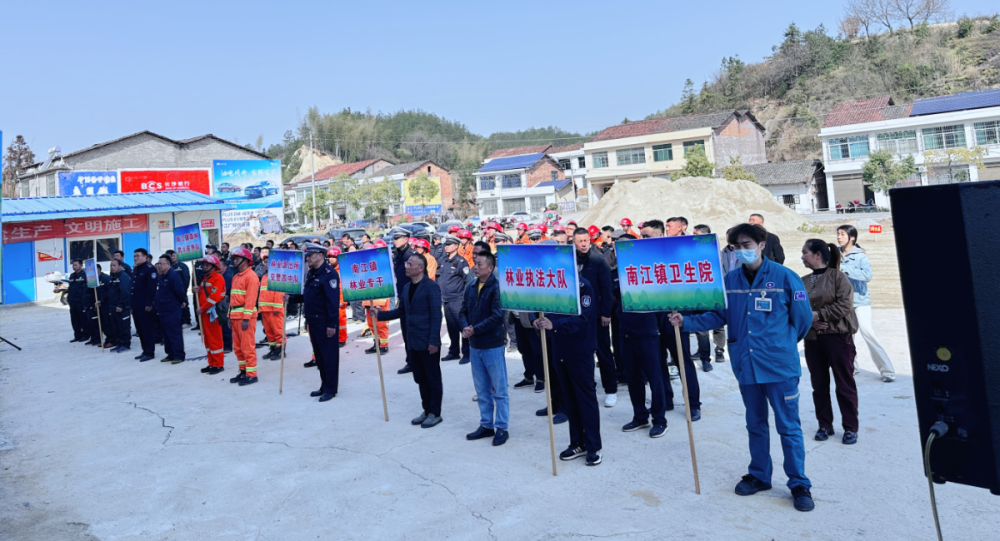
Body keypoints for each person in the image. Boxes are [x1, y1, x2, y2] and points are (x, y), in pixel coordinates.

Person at [669, 223, 815, 512]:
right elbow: (718, 316)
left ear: (761, 245)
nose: (741, 251)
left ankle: (799, 483)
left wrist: (781, 344)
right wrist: (686, 322)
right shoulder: (730, 280)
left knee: (788, 427)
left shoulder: (785, 277)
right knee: (755, 424)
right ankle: (760, 475)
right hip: (747, 366)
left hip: (779, 367)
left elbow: (803, 320)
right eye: (736, 247)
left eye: (747, 245)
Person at [533, 276, 603, 466]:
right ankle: (577, 443)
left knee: (585, 399)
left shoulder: (583, 285)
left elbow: (583, 318)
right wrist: (538, 321)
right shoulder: (550, 284)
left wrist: (555, 324)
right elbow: (544, 311)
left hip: (580, 350)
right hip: (560, 350)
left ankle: (593, 446)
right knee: (569, 400)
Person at [375, 253, 444, 428]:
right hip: (413, 341)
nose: (406, 266)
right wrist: (380, 315)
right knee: (420, 378)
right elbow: (402, 311)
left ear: (420, 268)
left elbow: (436, 316)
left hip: (427, 341)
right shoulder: (406, 288)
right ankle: (426, 410)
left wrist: (434, 341)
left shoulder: (431, 287)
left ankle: (435, 413)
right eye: (407, 263)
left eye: (410, 264)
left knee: (432, 378)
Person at [801, 239, 860, 445]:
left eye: (805, 252)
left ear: (818, 255)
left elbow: (844, 304)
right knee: (819, 384)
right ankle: (824, 425)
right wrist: (809, 320)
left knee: (844, 384)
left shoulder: (838, 277)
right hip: (813, 339)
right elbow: (795, 306)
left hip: (838, 338)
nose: (802, 256)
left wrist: (818, 315)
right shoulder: (802, 280)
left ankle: (850, 427)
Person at [642, 219, 703, 414]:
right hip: (652, 320)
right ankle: (665, 400)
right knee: (657, 363)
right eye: (642, 236)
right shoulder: (642, 259)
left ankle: (693, 404)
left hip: (674, 317)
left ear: (660, 236)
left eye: (646, 236)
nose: (642, 240)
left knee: (683, 362)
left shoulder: (676, 256)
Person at [460, 251, 509, 446]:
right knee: (482, 389)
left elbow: (497, 316)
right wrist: (465, 327)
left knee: (500, 389)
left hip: (492, 345)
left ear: (490, 268)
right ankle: (486, 424)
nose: (475, 267)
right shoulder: (471, 286)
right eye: (475, 263)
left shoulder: (497, 288)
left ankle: (502, 427)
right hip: (475, 345)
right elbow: (463, 310)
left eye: (480, 264)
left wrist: (474, 329)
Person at [837, 225, 895, 382]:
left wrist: (846, 271)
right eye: (838, 234)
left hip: (861, 301)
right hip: (843, 303)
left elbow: (867, 276)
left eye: (842, 234)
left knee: (868, 333)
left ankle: (887, 371)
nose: (839, 237)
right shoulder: (835, 254)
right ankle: (852, 367)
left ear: (852, 238)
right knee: (847, 336)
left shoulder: (860, 256)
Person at [572, 227, 618, 407]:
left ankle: (611, 390)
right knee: (583, 354)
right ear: (574, 242)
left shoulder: (599, 260)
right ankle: (588, 387)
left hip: (598, 316)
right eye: (580, 241)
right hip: (578, 315)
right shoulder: (570, 259)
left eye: (586, 240)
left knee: (603, 352)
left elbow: (607, 289)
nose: (583, 244)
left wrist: (606, 313)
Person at [291, 243, 341, 402]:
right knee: (319, 357)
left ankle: (330, 389)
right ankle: (324, 385)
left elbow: (332, 302)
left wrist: (331, 324)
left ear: (320, 255)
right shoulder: (311, 272)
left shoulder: (329, 274)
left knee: (329, 357)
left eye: (310, 255)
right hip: (313, 321)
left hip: (325, 322)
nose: (308, 259)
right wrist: (291, 298)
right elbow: (307, 295)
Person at [693, 224, 725, 368]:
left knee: (718, 324)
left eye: (697, 234)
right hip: (699, 293)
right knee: (702, 327)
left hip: (714, 291)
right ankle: (705, 358)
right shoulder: (691, 251)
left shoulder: (714, 250)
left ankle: (719, 350)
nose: (694, 237)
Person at [228, 247, 260, 386]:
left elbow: (251, 300)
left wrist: (246, 318)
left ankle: (251, 375)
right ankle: (243, 371)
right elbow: (232, 299)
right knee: (238, 347)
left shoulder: (251, 276)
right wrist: (229, 316)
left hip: (245, 318)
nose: (234, 261)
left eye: (237, 258)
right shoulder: (236, 277)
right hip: (235, 316)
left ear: (246, 260)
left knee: (247, 347)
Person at [438, 234, 471, 363]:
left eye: (449, 244)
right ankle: (454, 352)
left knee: (463, 326)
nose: (446, 247)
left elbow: (467, 282)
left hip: (458, 299)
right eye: (445, 244)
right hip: (446, 300)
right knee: (451, 327)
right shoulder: (443, 261)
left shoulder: (461, 262)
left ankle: (467, 353)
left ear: (456, 246)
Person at [194, 254, 227, 374]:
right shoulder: (206, 278)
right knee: (208, 340)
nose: (204, 266)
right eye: (204, 264)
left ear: (214, 266)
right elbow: (204, 293)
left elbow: (214, 297)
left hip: (213, 313)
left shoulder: (217, 278)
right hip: (206, 313)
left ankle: (218, 364)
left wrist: (201, 308)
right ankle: (212, 363)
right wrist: (197, 290)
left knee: (215, 339)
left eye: (207, 265)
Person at [390, 226, 416, 375]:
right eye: (394, 238)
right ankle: (411, 361)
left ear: (406, 239)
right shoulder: (397, 255)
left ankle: (417, 361)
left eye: (397, 238)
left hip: (413, 299)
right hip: (402, 297)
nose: (394, 240)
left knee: (414, 332)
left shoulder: (412, 256)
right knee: (406, 332)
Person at [154, 254, 187, 364]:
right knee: (166, 333)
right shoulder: (161, 277)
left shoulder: (173, 276)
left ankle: (178, 355)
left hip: (172, 309)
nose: (159, 266)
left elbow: (179, 291)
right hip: (162, 309)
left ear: (168, 264)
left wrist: (182, 301)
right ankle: (170, 354)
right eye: (158, 263)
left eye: (161, 264)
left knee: (174, 332)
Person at [131, 249, 159, 362]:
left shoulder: (150, 269)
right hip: (136, 304)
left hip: (144, 305)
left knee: (147, 329)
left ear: (145, 257)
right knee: (140, 330)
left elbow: (151, 288)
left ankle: (150, 352)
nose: (135, 258)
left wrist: (149, 304)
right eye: (134, 256)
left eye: (138, 256)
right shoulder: (136, 269)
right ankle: (144, 350)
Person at [258, 255, 286, 361]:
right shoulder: (264, 277)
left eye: (267, 262)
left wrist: (277, 308)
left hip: (274, 310)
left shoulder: (278, 276)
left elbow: (279, 293)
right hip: (265, 309)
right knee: (269, 332)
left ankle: (281, 350)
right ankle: (273, 348)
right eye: (264, 262)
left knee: (278, 331)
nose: (265, 264)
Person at [107, 259, 132, 353]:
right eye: (111, 266)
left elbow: (125, 292)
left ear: (120, 266)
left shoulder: (123, 277)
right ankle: (119, 343)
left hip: (122, 307)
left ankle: (125, 344)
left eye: (114, 265)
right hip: (113, 306)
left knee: (123, 326)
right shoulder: (113, 277)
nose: (112, 267)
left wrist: (120, 305)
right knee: (116, 326)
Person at [85, 264, 112, 347]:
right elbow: (90, 292)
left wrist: (102, 300)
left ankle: (112, 340)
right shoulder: (92, 279)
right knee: (101, 323)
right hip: (97, 304)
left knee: (108, 323)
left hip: (106, 304)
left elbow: (109, 291)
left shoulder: (106, 278)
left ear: (99, 269)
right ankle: (106, 339)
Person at [166, 250, 192, 327]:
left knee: (184, 304)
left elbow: (186, 278)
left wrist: (183, 289)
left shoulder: (183, 266)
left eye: (174, 256)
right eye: (172, 256)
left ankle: (186, 321)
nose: (172, 257)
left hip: (181, 289)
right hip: (173, 290)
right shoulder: (171, 266)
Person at [67, 260, 90, 343]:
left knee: (83, 319)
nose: (74, 267)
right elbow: (70, 288)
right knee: (74, 320)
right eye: (73, 265)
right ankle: (77, 335)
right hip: (73, 301)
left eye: (76, 265)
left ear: (80, 265)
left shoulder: (85, 275)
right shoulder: (72, 276)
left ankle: (86, 335)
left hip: (81, 301)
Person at [217, 257, 234, 353]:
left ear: (225, 267)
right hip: (217, 304)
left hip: (225, 304)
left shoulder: (227, 278)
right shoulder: (216, 276)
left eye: (220, 266)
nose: (218, 267)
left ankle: (227, 345)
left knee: (225, 325)